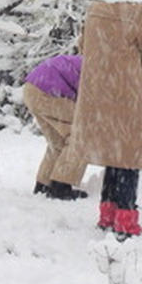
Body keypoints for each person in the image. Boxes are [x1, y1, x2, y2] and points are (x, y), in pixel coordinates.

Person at [64, 0, 142, 240]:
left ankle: (107, 215)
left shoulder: (98, 6)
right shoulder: (137, 12)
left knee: (113, 154)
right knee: (128, 156)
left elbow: (83, 45)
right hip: (124, 92)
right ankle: (126, 220)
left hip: (97, 91)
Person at [23, 54, 88, 200]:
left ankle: (43, 185)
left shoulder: (93, 61)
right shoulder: (103, 72)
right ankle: (61, 185)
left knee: (58, 140)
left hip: (32, 89)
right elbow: (91, 103)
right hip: (48, 92)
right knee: (83, 135)